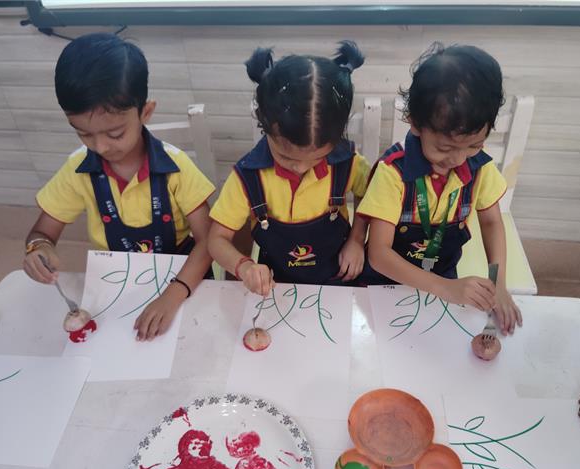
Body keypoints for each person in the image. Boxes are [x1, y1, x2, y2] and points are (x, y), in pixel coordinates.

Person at [21, 33, 214, 341]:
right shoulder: (78, 169)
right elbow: (42, 232)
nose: (100, 147)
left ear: (145, 112)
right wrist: (38, 249)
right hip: (118, 280)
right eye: (84, 134)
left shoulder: (176, 167)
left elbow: (209, 241)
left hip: (182, 276)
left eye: (115, 134)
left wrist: (174, 294)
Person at [358, 42, 521, 334]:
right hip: (385, 283)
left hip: (444, 278)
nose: (458, 159)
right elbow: (379, 254)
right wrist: (446, 289)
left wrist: (497, 282)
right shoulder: (392, 172)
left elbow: (492, 222)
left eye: (474, 146)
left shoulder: (480, 169)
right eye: (444, 148)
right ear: (415, 123)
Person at [208, 41, 370, 296]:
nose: (300, 167)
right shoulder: (248, 177)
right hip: (276, 285)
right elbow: (216, 240)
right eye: (285, 156)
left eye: (317, 158)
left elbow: (370, 195)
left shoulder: (347, 163)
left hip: (337, 282)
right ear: (263, 123)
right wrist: (244, 266)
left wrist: (357, 239)